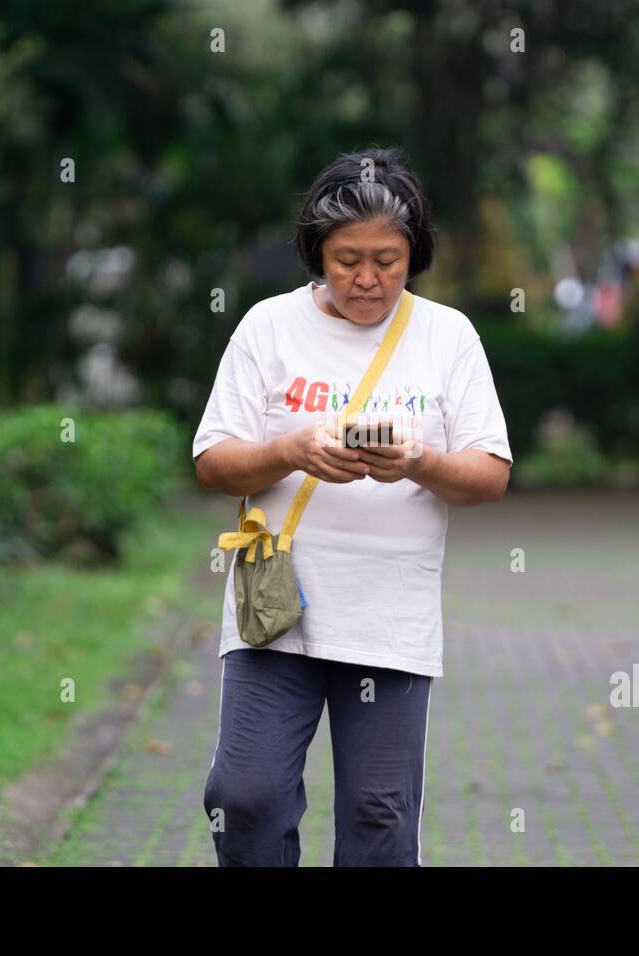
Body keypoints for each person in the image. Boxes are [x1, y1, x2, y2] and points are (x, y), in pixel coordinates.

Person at [192, 146, 513, 866]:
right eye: (346, 259)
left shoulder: (448, 336)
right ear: (316, 252)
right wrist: (294, 451)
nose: (367, 279)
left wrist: (420, 462)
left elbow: (490, 474)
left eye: (387, 260)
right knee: (243, 797)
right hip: (277, 611)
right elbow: (212, 460)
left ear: (414, 255)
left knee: (378, 819)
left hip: (387, 621)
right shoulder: (267, 328)